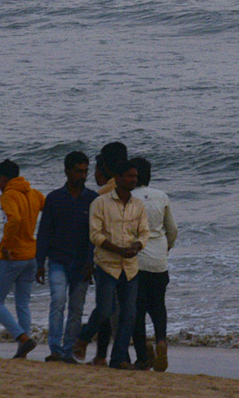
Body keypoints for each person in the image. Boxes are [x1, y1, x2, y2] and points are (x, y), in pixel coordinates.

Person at [73, 157, 149, 370]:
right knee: (105, 310)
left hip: (131, 267)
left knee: (129, 315)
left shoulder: (138, 205)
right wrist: (119, 250)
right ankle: (83, 337)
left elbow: (145, 233)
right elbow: (95, 235)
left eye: (135, 176)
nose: (133, 180)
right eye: (129, 176)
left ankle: (119, 360)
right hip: (107, 265)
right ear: (118, 178)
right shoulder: (101, 203)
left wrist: (136, 246)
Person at [35, 150, 98, 362]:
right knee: (58, 301)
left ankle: (69, 350)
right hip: (58, 260)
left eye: (85, 171)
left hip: (82, 263)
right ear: (67, 171)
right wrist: (39, 263)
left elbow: (95, 235)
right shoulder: (54, 199)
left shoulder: (93, 200)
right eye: (78, 171)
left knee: (76, 309)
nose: (82, 176)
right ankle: (55, 349)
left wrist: (91, 262)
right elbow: (44, 232)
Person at [74, 142, 127, 366]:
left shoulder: (101, 196)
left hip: (106, 261)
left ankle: (96, 348)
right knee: (123, 309)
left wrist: (88, 262)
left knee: (108, 309)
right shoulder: (131, 188)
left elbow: (92, 236)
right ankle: (113, 355)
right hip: (130, 258)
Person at [0, 159, 45, 359]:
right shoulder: (34, 193)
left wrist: (6, 246)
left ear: (3, 178)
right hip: (32, 255)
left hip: (14, 255)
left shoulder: (8, 196)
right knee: (22, 303)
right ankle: (23, 349)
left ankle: (22, 338)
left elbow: (15, 220)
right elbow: (49, 210)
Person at [130, 156, 178, 371]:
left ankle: (143, 352)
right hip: (159, 261)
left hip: (137, 262)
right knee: (158, 304)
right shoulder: (161, 196)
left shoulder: (127, 197)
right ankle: (161, 341)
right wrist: (167, 247)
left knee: (137, 310)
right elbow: (172, 229)